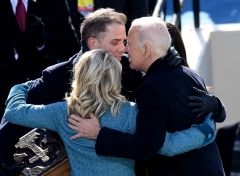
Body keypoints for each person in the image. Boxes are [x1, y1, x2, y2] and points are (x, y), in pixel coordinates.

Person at [0, 8, 224, 175]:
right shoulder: (59, 79)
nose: (123, 48)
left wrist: (166, 59)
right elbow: (165, 144)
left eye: (126, 42)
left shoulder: (64, 111)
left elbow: (16, 110)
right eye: (116, 42)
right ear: (93, 43)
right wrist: (205, 130)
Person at [70, 17, 226, 175]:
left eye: (129, 44)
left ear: (146, 50)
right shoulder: (190, 73)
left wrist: (98, 134)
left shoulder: (151, 87)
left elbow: (145, 148)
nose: (125, 50)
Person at [0, 0, 80, 121]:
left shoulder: (54, 2)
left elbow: (71, 46)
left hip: (43, 102)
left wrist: (43, 41)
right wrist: (15, 47)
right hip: (3, 97)